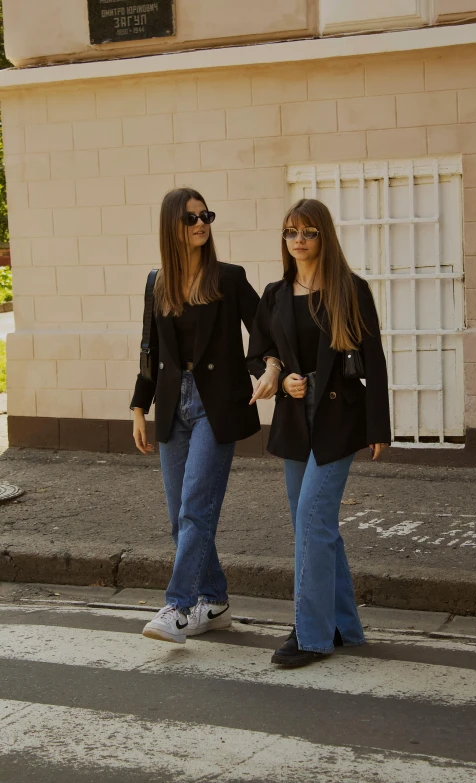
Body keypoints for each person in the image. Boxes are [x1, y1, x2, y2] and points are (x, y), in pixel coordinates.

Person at [248, 198, 391, 667]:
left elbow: (375, 363)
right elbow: (259, 353)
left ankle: (310, 635)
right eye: (291, 232)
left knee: (311, 520)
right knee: (314, 527)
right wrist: (279, 373)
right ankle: (345, 626)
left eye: (308, 232)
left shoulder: (351, 289)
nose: (299, 240)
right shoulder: (274, 293)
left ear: (323, 237)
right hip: (293, 418)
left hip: (338, 419)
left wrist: (379, 427)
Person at [131, 187, 277, 644]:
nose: (200, 224)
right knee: (180, 516)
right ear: (171, 226)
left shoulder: (228, 279)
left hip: (218, 405)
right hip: (174, 406)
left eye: (206, 216)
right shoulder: (158, 283)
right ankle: (214, 602)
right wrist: (140, 406)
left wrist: (271, 367)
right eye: (191, 218)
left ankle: (177, 607)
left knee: (195, 506)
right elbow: (149, 351)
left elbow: (265, 330)